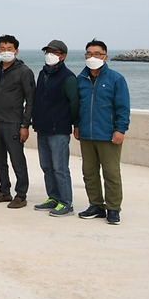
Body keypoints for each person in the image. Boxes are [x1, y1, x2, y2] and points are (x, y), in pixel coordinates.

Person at [75, 39, 130, 225]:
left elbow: (123, 108)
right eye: (89, 53)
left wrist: (120, 130)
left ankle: (113, 208)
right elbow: (77, 106)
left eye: (97, 54)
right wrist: (77, 126)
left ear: (105, 57)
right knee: (89, 172)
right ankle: (96, 205)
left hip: (108, 135)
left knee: (111, 173)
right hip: (87, 135)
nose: (93, 57)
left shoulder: (116, 79)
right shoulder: (80, 79)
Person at [0, 34, 35, 209]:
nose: (6, 52)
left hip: (13, 123)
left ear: (16, 51)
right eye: (2, 49)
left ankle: (21, 195)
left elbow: (30, 100)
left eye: (10, 49)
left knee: (17, 160)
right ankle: (4, 191)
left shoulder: (24, 71)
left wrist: (25, 125)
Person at [32, 39, 80, 217]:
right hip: (42, 128)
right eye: (48, 52)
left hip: (58, 130)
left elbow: (74, 103)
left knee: (60, 167)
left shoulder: (68, 77)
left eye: (54, 52)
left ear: (63, 56)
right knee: (46, 166)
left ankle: (66, 203)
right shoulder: (42, 74)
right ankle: (53, 197)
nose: (50, 55)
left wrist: (75, 124)